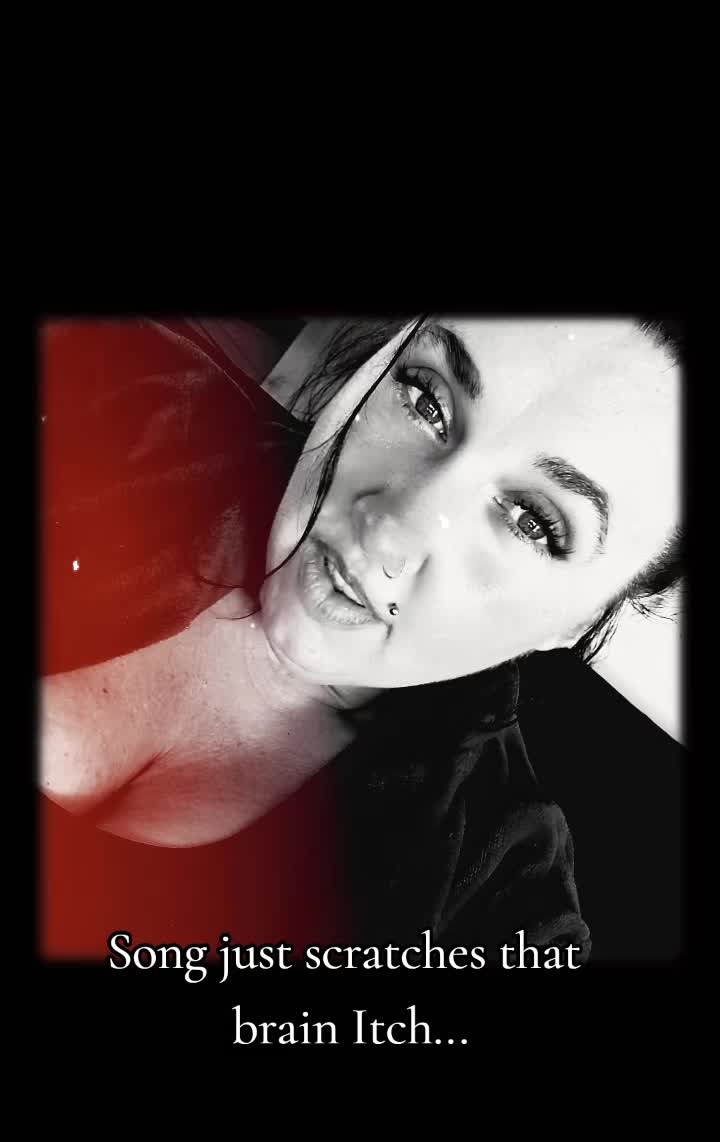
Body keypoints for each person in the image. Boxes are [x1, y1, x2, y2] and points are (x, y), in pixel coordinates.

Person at [39, 315, 684, 964]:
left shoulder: (496, 910)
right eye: (425, 399)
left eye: (532, 522)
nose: (389, 531)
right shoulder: (99, 391)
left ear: (580, 620)